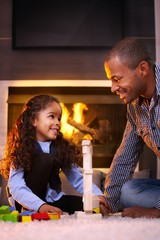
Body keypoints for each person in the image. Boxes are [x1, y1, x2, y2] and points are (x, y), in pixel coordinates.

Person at [0, 94, 107, 215]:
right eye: (51, 116)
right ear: (34, 120)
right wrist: (40, 206)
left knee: (91, 207)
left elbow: (78, 178)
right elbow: (16, 186)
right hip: (26, 202)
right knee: (44, 159)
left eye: (59, 118)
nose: (57, 123)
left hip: (53, 200)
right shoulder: (21, 148)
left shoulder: (60, 148)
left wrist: (96, 196)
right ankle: (33, 209)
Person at [103, 37, 160, 218]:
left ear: (142, 69)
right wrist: (109, 203)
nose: (113, 88)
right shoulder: (135, 107)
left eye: (116, 79)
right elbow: (125, 157)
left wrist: (156, 212)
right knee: (128, 191)